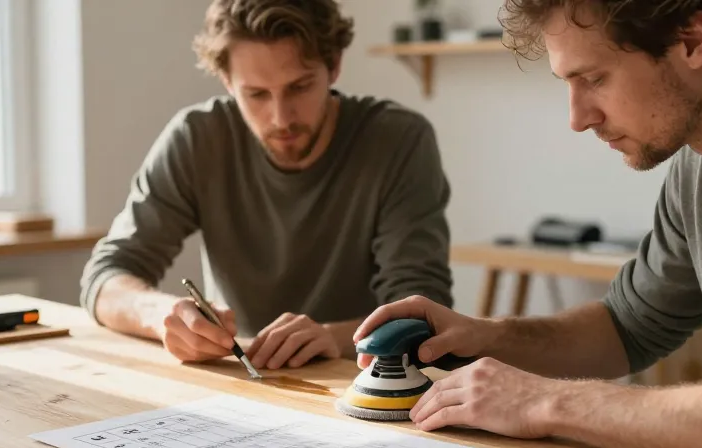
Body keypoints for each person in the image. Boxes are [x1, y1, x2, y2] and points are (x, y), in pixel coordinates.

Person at [354, 0, 702, 448]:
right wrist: (483, 337)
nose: (578, 118)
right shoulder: (699, 166)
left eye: (595, 79)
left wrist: (544, 402)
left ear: (692, 39)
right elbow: (627, 326)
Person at [79, 0, 453, 371]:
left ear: (334, 65)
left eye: (300, 86)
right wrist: (162, 315)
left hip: (361, 382)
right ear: (227, 81)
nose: (281, 117)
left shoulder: (398, 141)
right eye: (256, 94)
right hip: (236, 381)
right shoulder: (197, 138)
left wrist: (333, 337)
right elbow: (105, 277)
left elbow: (424, 312)